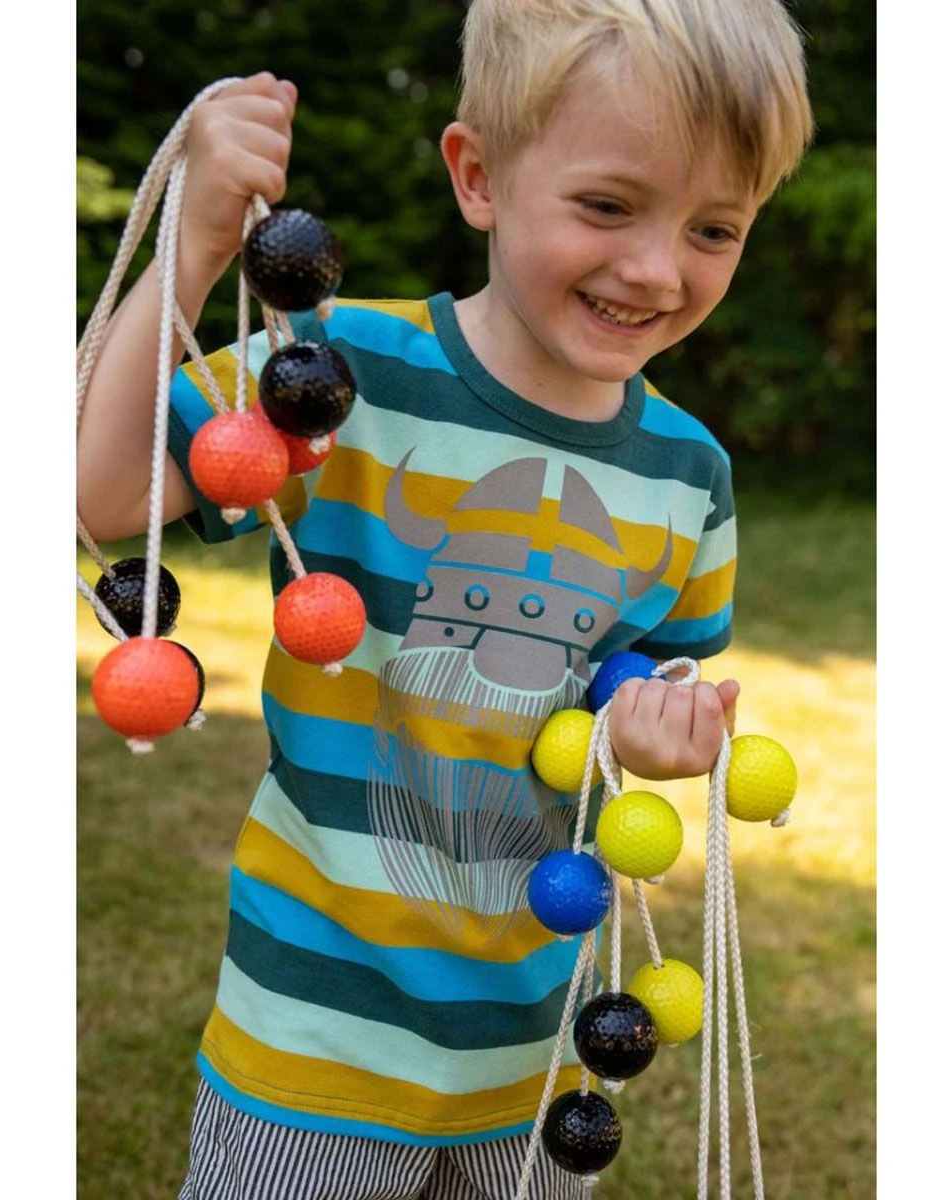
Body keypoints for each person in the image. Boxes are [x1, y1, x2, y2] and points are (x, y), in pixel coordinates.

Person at [77, 0, 813, 1195]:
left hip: (536, 1063)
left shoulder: (691, 476)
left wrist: (658, 734)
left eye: (714, 228)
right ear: (479, 177)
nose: (655, 268)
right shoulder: (334, 378)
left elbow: (646, 681)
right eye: (607, 205)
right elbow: (100, 489)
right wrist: (196, 246)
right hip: (313, 1046)